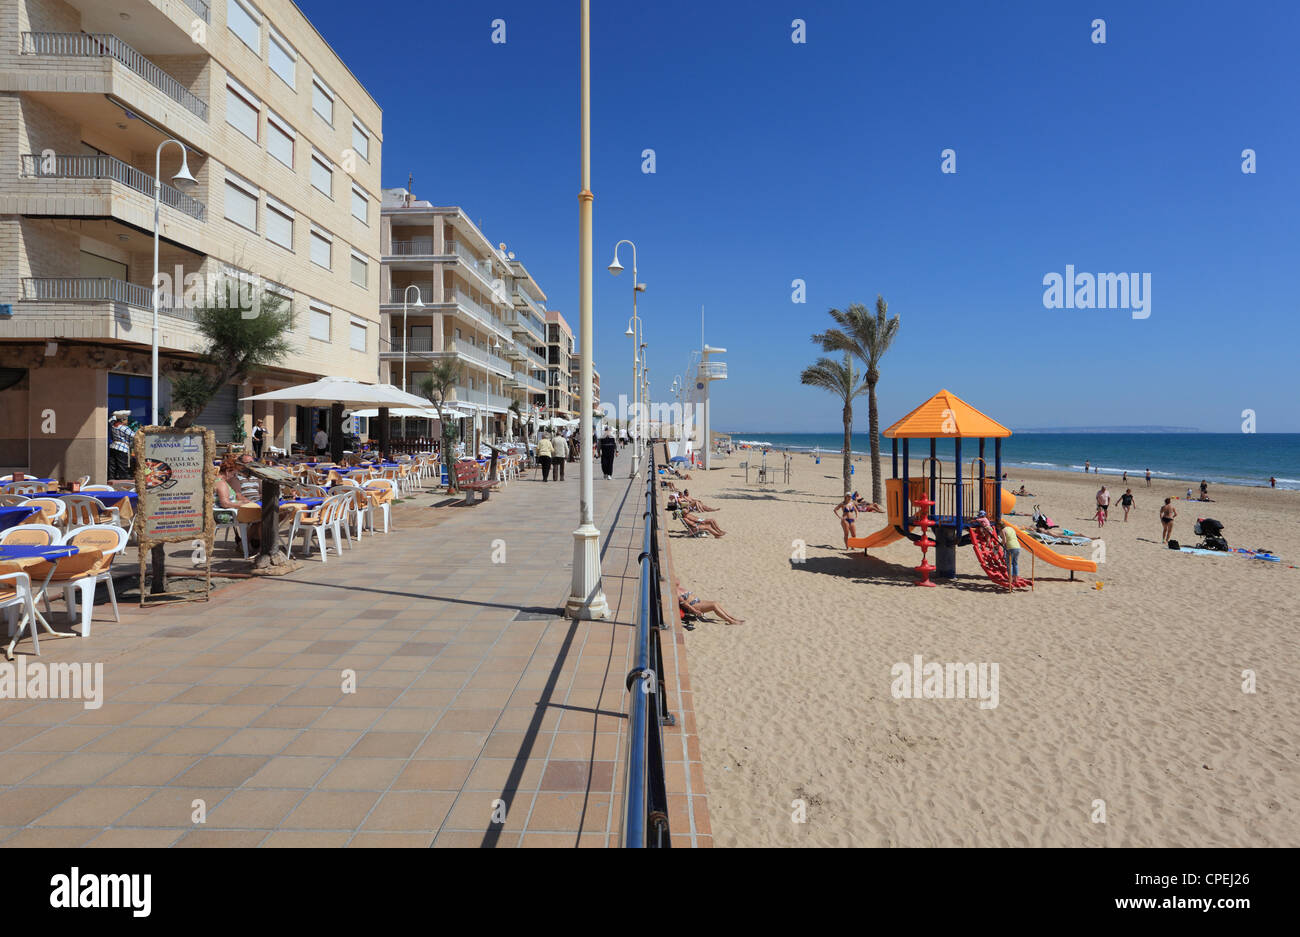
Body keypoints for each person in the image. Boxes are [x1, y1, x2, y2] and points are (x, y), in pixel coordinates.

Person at [678, 587, 745, 625]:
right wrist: (694, 611)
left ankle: (731, 617)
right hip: (694, 605)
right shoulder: (676, 591)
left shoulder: (679, 588)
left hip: (698, 601)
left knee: (716, 602)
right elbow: (684, 603)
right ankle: (730, 621)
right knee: (713, 606)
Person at [108, 410, 133, 480]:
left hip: (113, 446)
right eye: (126, 420)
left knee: (113, 463)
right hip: (122, 447)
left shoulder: (113, 426)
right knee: (122, 463)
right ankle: (123, 476)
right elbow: (134, 435)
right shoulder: (124, 428)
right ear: (122, 420)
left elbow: (110, 420)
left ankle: (112, 476)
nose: (127, 421)